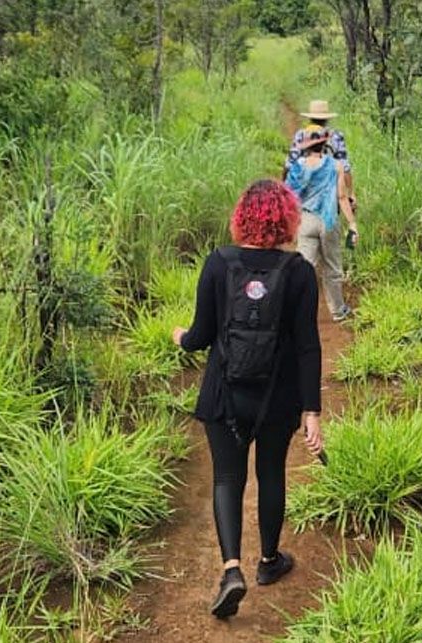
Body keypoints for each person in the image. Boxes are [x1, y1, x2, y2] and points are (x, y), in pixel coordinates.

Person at [171, 180, 325, 619]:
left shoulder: (219, 262)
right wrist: (312, 412)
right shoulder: (298, 272)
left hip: (225, 394)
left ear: (242, 217)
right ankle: (269, 561)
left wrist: (180, 337)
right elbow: (308, 347)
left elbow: (200, 337)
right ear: (287, 220)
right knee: (271, 473)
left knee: (227, 478)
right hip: (277, 398)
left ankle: (231, 569)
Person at [285, 124, 358, 322]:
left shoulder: (298, 166)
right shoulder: (336, 166)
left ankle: (296, 312)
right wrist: (352, 223)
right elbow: (342, 197)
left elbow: (289, 196)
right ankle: (337, 310)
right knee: (332, 267)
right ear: (325, 143)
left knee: (303, 269)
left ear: (306, 145)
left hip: (306, 221)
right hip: (329, 221)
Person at [282, 99, 357, 209]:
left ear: (310, 118)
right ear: (327, 119)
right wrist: (351, 193)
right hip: (328, 188)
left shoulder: (301, 135)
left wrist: (284, 187)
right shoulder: (336, 136)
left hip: (304, 185)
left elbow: (289, 164)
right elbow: (345, 167)